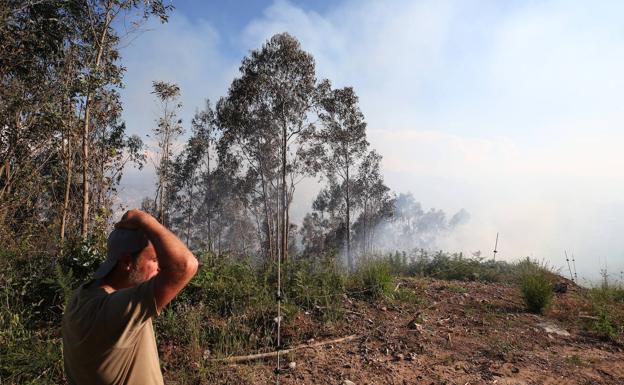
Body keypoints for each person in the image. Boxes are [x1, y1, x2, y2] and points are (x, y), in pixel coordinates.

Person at [62, 209, 198, 385]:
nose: (160, 269)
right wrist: (144, 219)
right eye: (155, 260)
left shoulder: (81, 296)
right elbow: (185, 266)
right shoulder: (116, 311)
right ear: (127, 261)